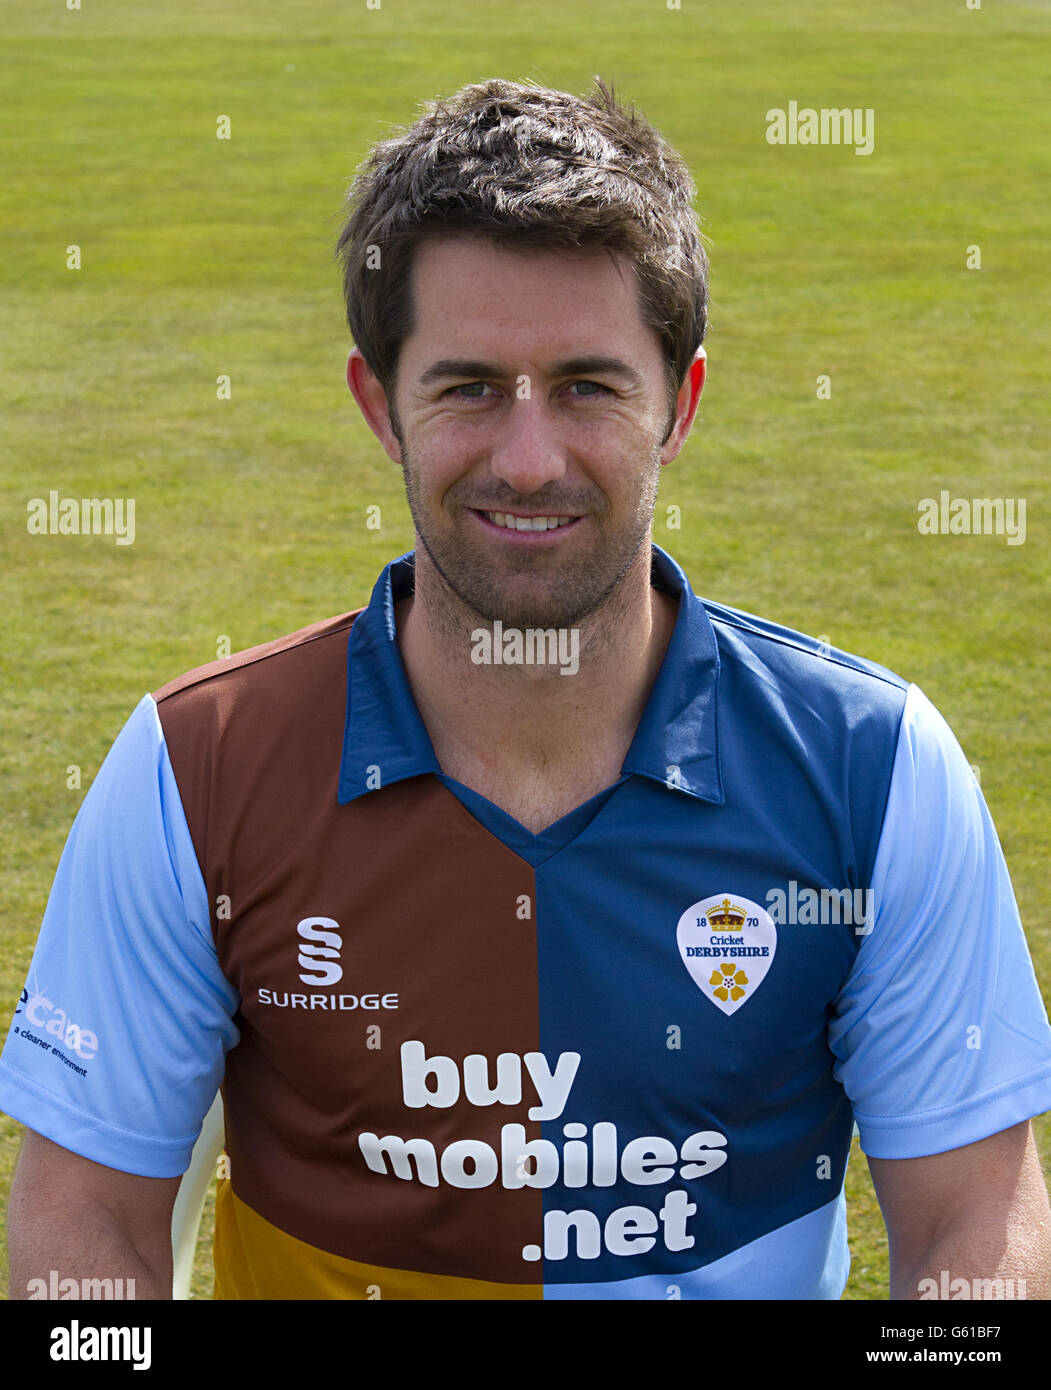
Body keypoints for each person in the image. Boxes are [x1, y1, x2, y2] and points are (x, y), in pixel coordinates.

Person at [4, 77, 1051, 1302]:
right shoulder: (194, 768)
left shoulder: (875, 768)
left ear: (679, 407)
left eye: (587, 386)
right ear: (379, 408)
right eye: (468, 387)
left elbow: (975, 1225)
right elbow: (86, 1225)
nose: (529, 458)